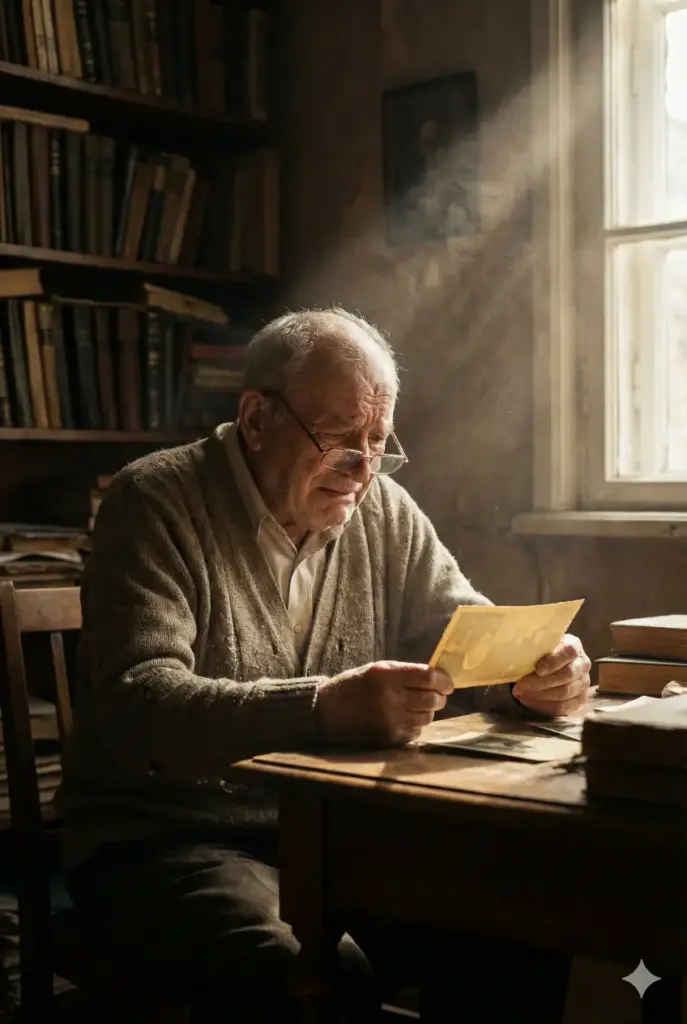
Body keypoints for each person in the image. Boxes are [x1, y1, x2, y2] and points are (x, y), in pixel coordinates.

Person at [57, 307, 591, 1023]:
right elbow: (140, 704)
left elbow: (464, 637)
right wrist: (319, 708)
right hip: (164, 839)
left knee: (515, 918)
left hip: (332, 834)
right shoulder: (153, 499)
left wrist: (534, 677)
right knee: (311, 976)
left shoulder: (383, 512)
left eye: (378, 443)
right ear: (255, 418)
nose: (361, 470)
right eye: (339, 438)